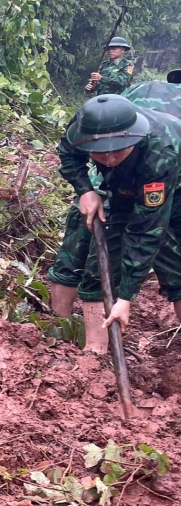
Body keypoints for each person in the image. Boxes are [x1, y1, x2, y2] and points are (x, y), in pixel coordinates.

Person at [49, 94, 181, 352]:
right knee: (84, 243)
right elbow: (68, 154)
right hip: (116, 188)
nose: (108, 159)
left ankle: (96, 354)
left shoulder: (160, 152)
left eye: (117, 151)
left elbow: (144, 231)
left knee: (175, 264)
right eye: (99, 153)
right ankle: (63, 335)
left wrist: (125, 297)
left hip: (173, 192)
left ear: (134, 137)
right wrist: (85, 190)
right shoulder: (86, 127)